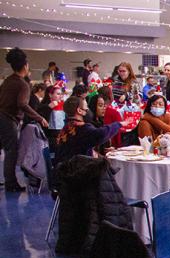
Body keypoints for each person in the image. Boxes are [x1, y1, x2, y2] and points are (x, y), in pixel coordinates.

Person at [0, 47, 48, 191]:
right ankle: (11, 184)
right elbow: (22, 103)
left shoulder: (8, 80)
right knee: (11, 151)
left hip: (2, 116)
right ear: (25, 66)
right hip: (8, 119)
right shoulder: (23, 84)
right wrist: (40, 118)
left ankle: (9, 181)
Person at [55, 96, 129, 165]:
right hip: (76, 172)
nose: (88, 110)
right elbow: (101, 134)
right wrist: (119, 124)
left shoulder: (66, 128)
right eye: (86, 107)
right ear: (79, 111)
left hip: (63, 171)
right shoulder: (82, 128)